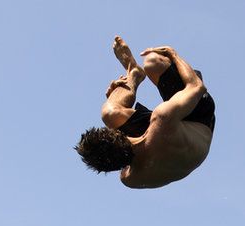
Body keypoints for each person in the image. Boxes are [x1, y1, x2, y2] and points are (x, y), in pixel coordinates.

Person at [75, 37, 215, 189]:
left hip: (174, 144)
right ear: (120, 134)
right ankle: (137, 69)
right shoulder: (162, 118)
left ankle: (133, 71)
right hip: (199, 120)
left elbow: (114, 154)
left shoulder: (129, 179)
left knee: (111, 114)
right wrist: (173, 54)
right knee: (153, 62)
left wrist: (115, 97)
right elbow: (197, 87)